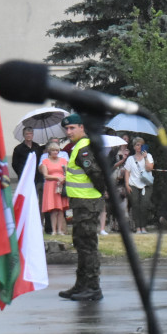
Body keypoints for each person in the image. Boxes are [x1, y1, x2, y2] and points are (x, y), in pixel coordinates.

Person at [58, 114, 108, 299]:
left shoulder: (84, 148)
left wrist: (100, 192)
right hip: (81, 204)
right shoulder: (79, 147)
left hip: (87, 203)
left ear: (82, 128)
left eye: (72, 128)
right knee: (80, 243)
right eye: (67, 129)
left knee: (88, 245)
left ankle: (93, 287)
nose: (68, 132)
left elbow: (95, 173)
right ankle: (81, 285)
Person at [124, 136, 155, 234]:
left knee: (144, 204)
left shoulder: (149, 156)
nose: (139, 146)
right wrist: (127, 185)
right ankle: (138, 227)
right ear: (134, 147)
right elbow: (127, 172)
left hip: (146, 184)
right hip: (133, 184)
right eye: (137, 145)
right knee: (135, 205)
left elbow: (149, 168)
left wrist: (145, 157)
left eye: (141, 145)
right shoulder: (130, 159)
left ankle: (144, 227)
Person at [40, 140, 69, 235]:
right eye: (53, 150)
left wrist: (63, 179)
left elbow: (67, 173)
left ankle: (60, 230)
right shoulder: (45, 161)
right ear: (49, 151)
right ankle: (54, 230)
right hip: (51, 186)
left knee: (61, 210)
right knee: (53, 209)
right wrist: (57, 177)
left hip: (61, 185)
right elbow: (45, 175)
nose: (56, 152)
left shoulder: (63, 161)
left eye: (57, 150)